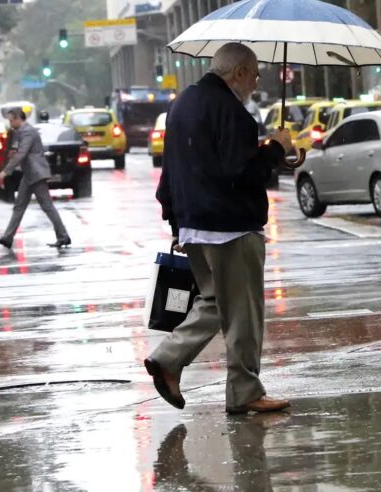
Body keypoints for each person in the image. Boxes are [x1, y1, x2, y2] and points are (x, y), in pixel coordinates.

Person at [144, 42, 294, 414]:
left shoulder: (181, 105)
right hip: (231, 228)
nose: (256, 83)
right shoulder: (234, 113)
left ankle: (169, 359)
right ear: (239, 72)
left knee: (214, 302)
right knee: (243, 312)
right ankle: (243, 390)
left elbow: (173, 171)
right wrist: (276, 149)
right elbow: (240, 172)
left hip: (195, 226)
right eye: (256, 74)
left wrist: (177, 221)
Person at [0, 108, 71, 249]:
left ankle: (63, 236)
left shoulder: (27, 131)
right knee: (19, 207)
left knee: (47, 206)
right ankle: (8, 238)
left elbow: (22, 154)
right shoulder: (21, 132)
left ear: (17, 118)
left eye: (11, 120)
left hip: (36, 173)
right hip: (29, 174)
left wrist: (5, 172)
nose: (10, 123)